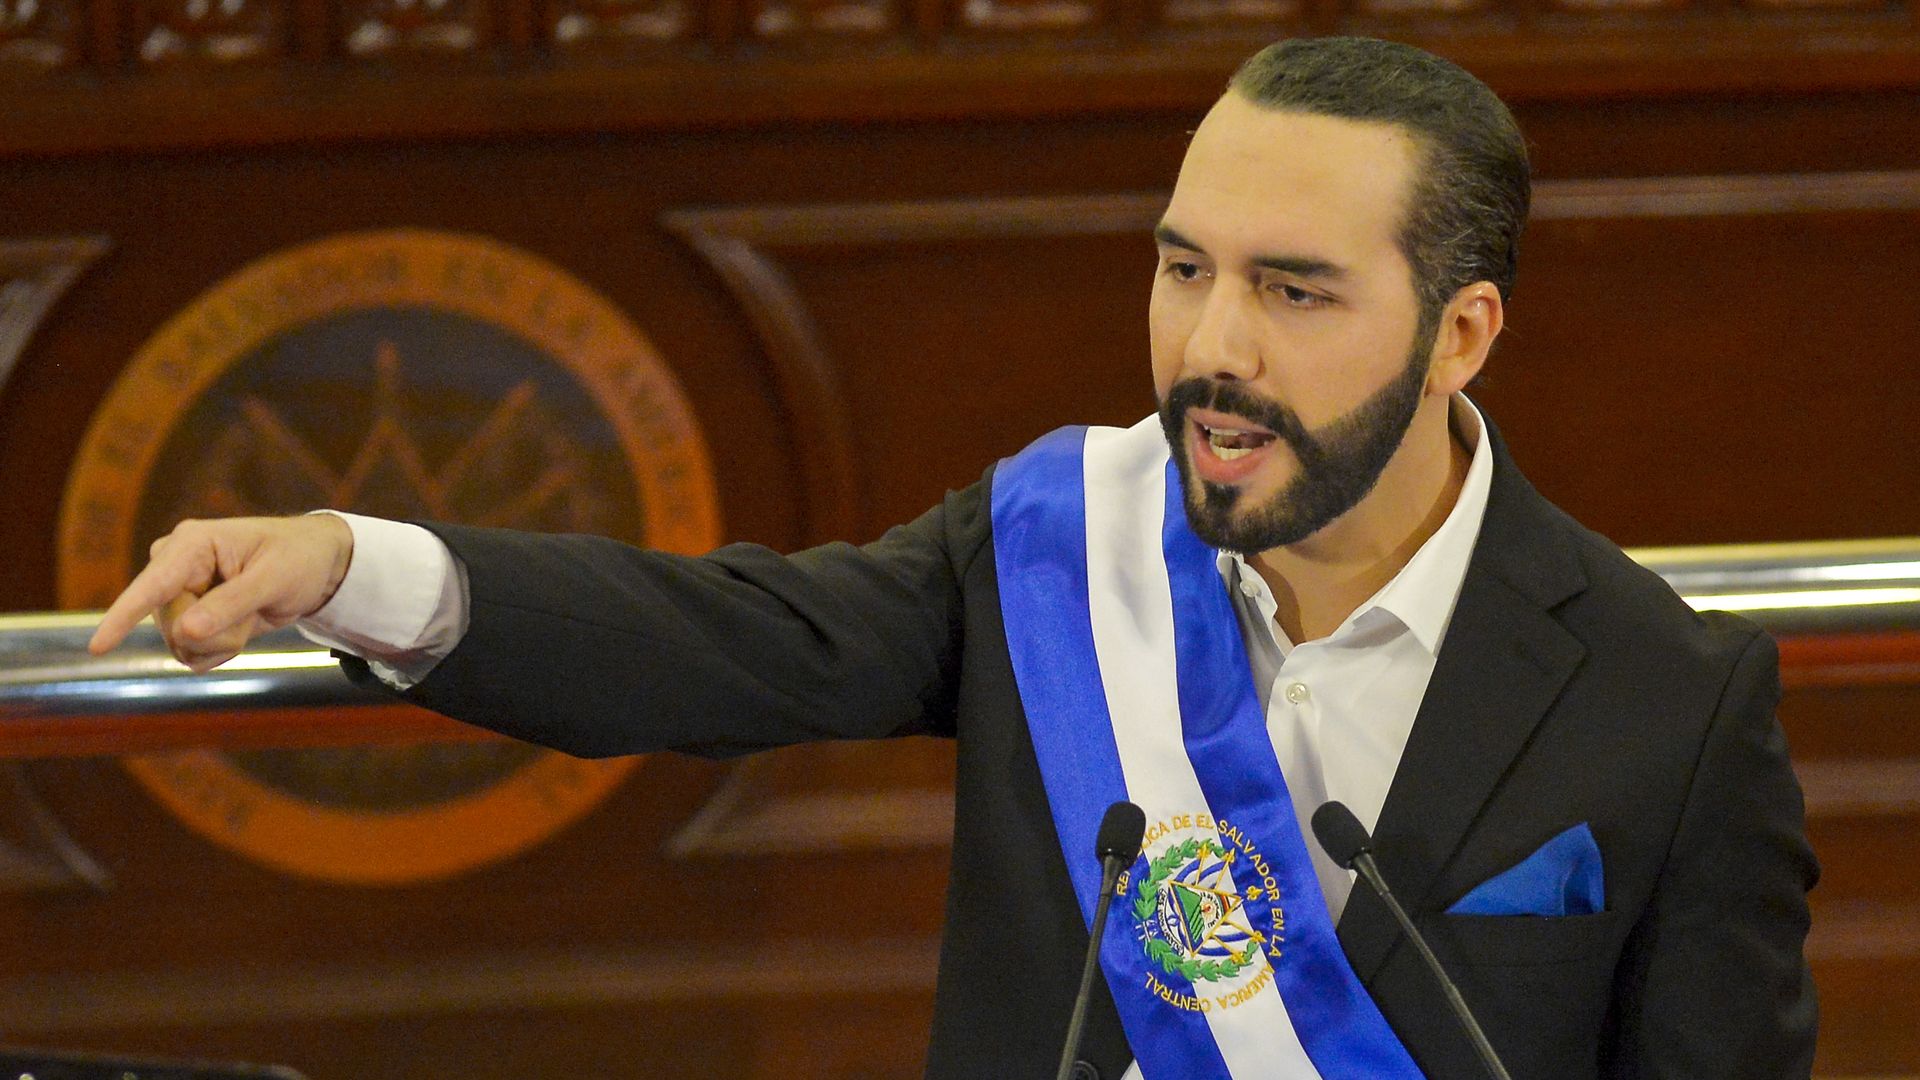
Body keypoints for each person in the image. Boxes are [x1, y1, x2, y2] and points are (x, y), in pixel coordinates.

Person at [90, 36, 1816, 1080]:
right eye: (1185, 269)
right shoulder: (1060, 550)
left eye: (1295, 291)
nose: (1211, 348)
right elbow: (722, 640)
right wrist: (344, 562)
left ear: (1462, 335)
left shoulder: (1668, 703)